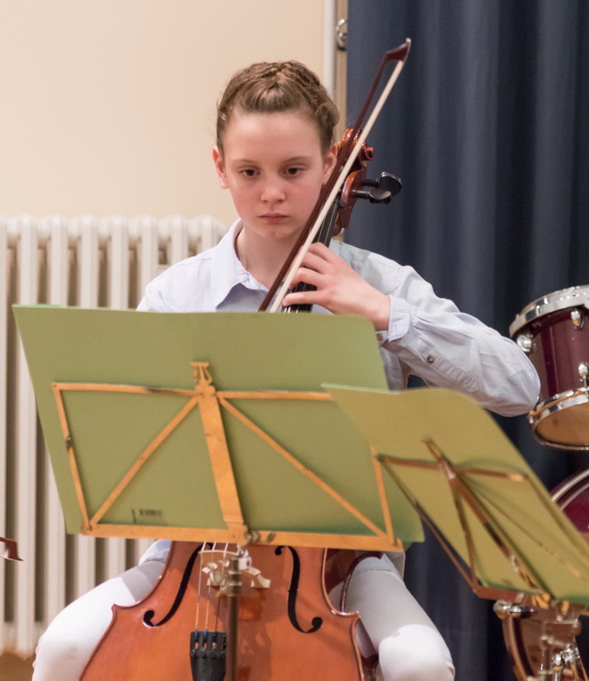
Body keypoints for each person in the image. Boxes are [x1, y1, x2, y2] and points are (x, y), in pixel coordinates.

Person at [32, 60, 539, 681]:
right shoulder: (176, 295)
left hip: (346, 566)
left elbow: (520, 386)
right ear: (221, 168)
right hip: (190, 556)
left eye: (294, 171)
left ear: (331, 165)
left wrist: (385, 315)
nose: (271, 192)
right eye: (249, 172)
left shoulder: (379, 283)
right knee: (62, 646)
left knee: (421, 664)